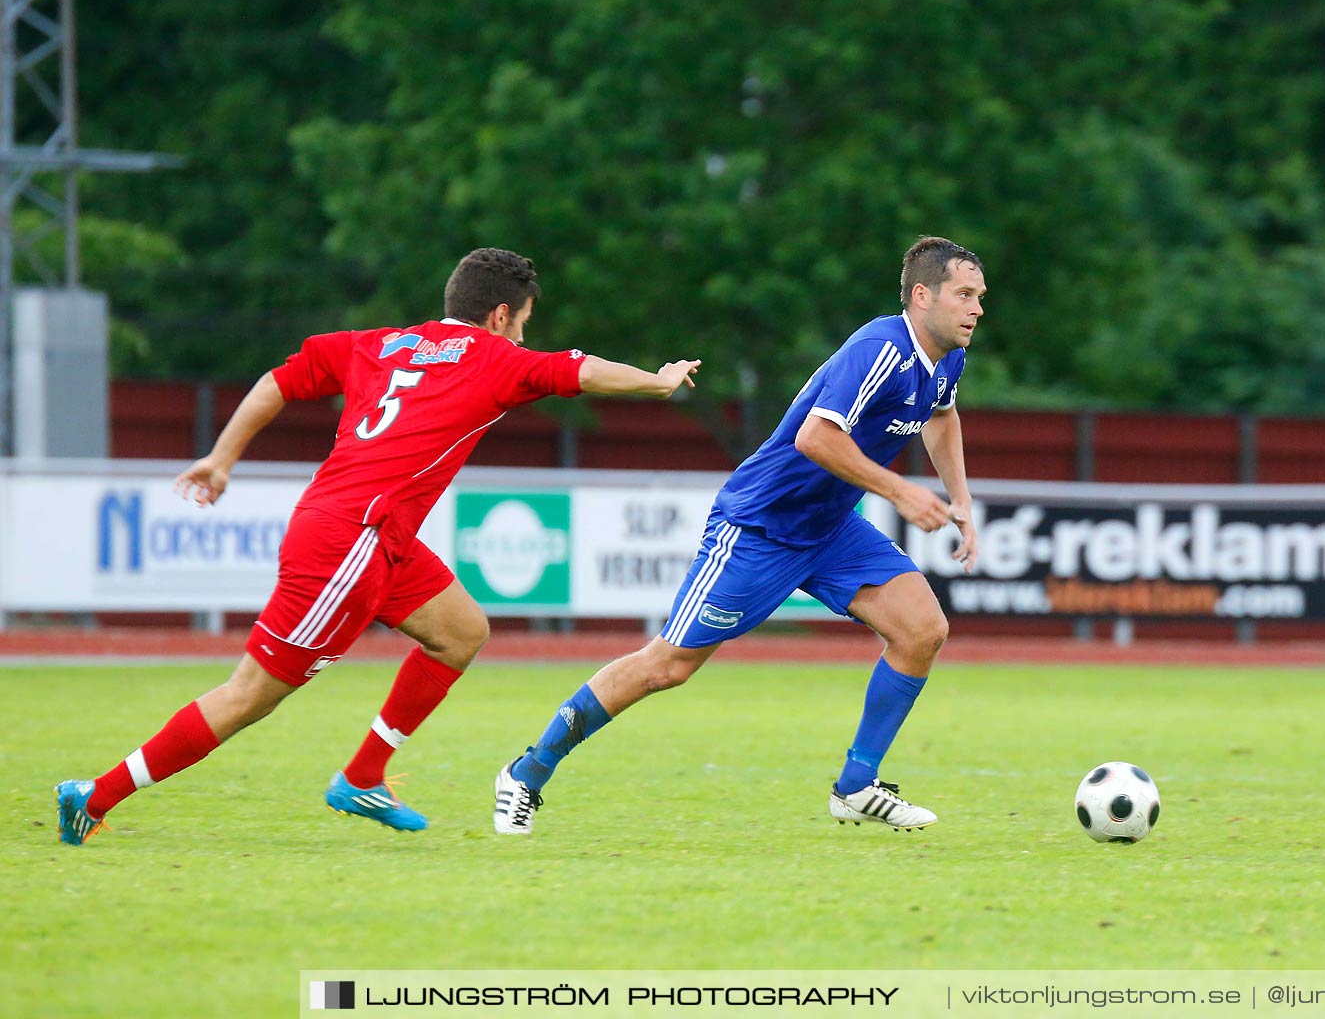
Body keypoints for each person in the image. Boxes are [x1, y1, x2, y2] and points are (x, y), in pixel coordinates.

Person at [54, 248, 701, 844]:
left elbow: (278, 381)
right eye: (525, 320)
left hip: (374, 533)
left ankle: (363, 776)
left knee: (460, 631)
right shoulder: (497, 359)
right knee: (250, 693)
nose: (526, 335)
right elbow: (583, 371)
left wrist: (223, 457)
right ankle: (94, 796)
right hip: (351, 541)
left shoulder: (380, 344)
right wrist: (658, 380)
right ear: (501, 315)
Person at [493, 235, 984, 835]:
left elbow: (941, 414)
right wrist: (902, 491)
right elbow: (814, 439)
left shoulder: (948, 356)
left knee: (923, 629)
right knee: (667, 666)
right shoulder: (879, 348)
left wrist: (958, 496)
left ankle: (856, 786)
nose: (976, 308)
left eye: (979, 297)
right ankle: (527, 770)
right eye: (964, 295)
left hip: (829, 529)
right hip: (759, 526)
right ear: (921, 296)